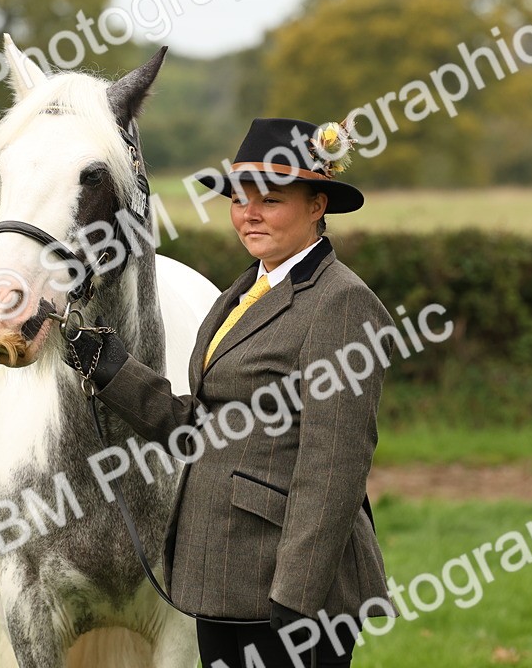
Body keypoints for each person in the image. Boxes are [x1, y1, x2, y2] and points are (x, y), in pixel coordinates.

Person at [62, 117, 397, 667]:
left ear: (318, 205)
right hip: (223, 577)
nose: (250, 213)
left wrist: (298, 596)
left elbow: (333, 464)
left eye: (270, 198)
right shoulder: (245, 292)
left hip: (287, 595)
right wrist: (111, 369)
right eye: (240, 198)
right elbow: (206, 426)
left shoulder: (340, 303)